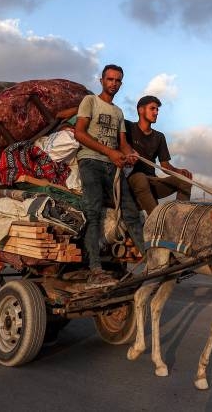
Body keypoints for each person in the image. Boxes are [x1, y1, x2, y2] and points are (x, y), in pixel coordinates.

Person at [74, 64, 144, 286]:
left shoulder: (118, 112)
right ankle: (95, 269)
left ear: (121, 84)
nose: (114, 83)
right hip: (90, 162)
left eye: (118, 80)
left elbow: (122, 144)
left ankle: (152, 261)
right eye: (110, 79)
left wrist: (130, 154)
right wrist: (110, 152)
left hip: (112, 166)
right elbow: (79, 133)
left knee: (131, 212)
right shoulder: (90, 101)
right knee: (93, 212)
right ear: (102, 80)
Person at [125, 95, 192, 215]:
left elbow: (165, 166)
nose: (156, 113)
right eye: (152, 109)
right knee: (140, 178)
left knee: (185, 181)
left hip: (152, 180)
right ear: (141, 110)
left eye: (157, 110)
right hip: (132, 180)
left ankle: (178, 219)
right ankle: (157, 220)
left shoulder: (159, 137)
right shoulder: (128, 128)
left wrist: (179, 171)